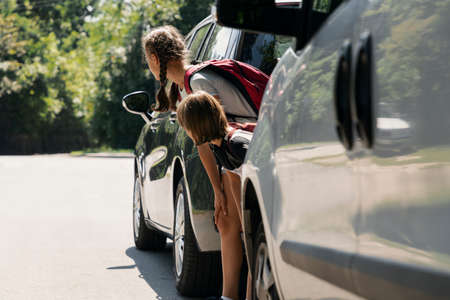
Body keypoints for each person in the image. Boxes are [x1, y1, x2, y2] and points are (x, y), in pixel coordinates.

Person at [142, 25, 255, 300]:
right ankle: (230, 295)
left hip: (245, 153)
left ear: (155, 59)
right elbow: (204, 142)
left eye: (147, 59)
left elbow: (215, 131)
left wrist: (219, 189)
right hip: (234, 157)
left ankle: (251, 294)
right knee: (228, 224)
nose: (147, 64)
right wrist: (217, 190)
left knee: (249, 235)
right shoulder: (185, 87)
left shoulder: (198, 83)